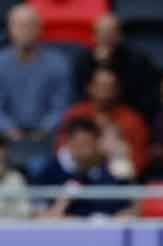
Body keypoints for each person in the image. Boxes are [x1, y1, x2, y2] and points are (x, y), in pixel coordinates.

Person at [33, 117, 135, 218]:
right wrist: (62, 204)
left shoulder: (110, 169)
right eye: (80, 144)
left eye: (88, 144)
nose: (85, 151)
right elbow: (40, 214)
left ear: (96, 143)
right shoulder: (50, 171)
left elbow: (128, 208)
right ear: (69, 143)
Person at [0, 3, 71, 140]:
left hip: (49, 135)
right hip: (4, 136)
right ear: (9, 29)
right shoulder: (0, 63)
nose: (25, 31)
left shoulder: (58, 64)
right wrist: (9, 129)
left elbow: (61, 107)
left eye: (30, 25)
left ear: (40, 29)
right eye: (20, 25)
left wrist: (44, 129)